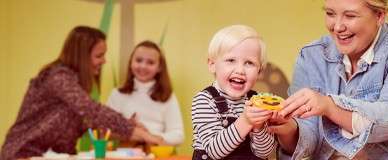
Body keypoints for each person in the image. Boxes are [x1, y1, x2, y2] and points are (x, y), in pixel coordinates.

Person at [269, 0, 388, 159]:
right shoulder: (311, 55)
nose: (337, 27)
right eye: (330, 13)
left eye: (350, 16)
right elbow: (309, 138)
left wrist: (330, 106)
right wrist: (287, 128)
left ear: (380, 15)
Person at [0, 26, 155, 160]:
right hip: (24, 154)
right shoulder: (58, 77)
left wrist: (129, 130)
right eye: (99, 56)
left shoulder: (74, 84)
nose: (104, 61)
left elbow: (87, 123)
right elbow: (91, 109)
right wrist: (131, 128)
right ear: (82, 56)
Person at [191, 24, 276, 160]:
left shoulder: (258, 102)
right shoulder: (204, 100)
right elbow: (214, 151)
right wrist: (246, 121)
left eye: (249, 63)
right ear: (212, 64)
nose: (240, 70)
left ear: (259, 71)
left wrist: (258, 127)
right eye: (231, 60)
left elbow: (264, 153)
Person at [107, 40, 184, 148]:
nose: (143, 66)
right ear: (131, 63)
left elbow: (178, 135)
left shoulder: (167, 96)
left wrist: (148, 135)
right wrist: (128, 129)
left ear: (159, 68)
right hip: (125, 154)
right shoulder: (117, 94)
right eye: (138, 60)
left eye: (150, 62)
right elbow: (107, 131)